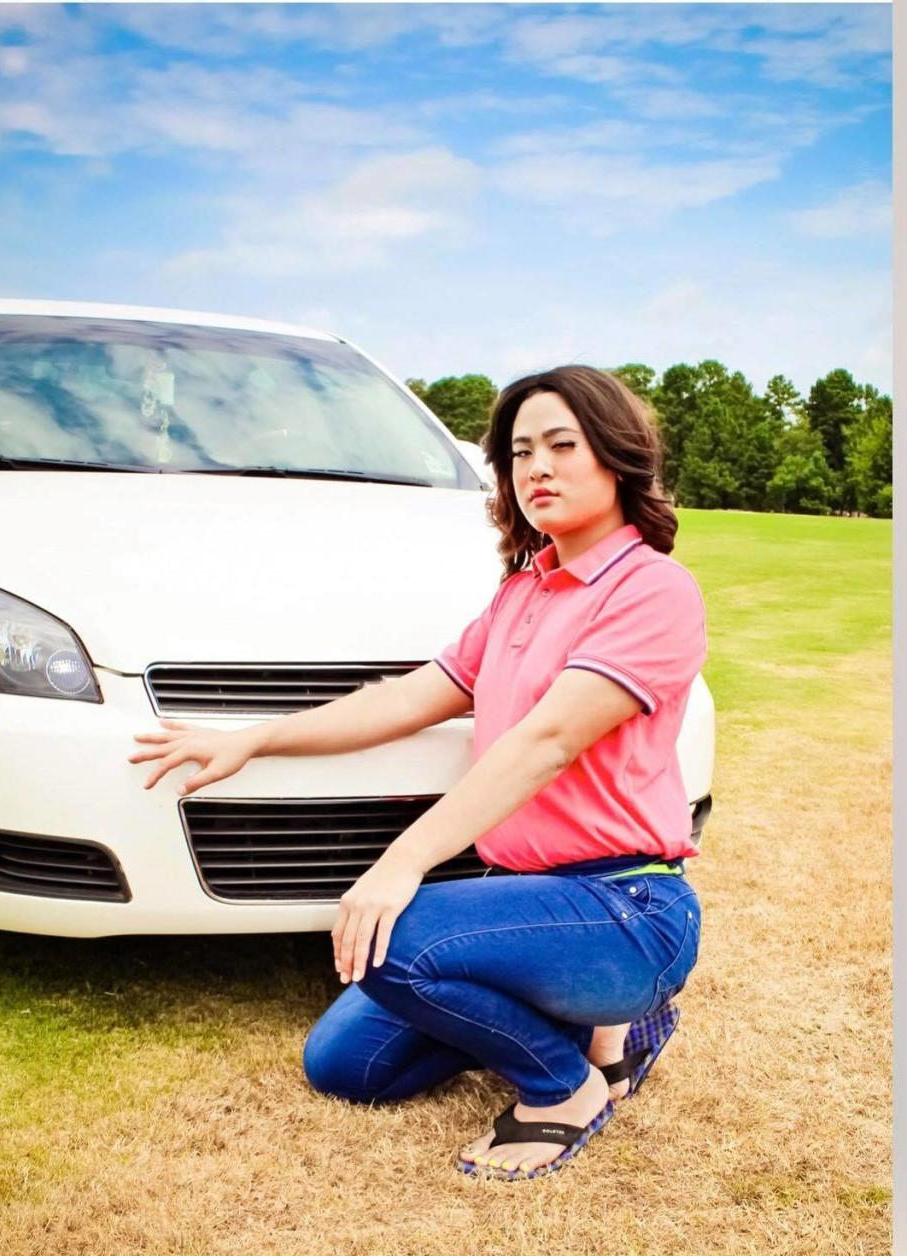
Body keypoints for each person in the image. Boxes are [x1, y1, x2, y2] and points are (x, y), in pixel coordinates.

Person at [129, 365, 707, 1182]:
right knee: (346, 1067)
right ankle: (597, 1034)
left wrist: (402, 861)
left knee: (387, 932)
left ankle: (566, 1085)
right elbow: (406, 699)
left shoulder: (654, 590)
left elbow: (547, 740)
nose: (535, 468)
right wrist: (255, 738)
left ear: (616, 455)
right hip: (525, 903)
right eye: (518, 454)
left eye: (561, 445)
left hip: (627, 906)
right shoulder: (522, 594)